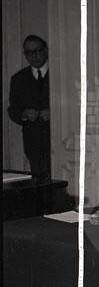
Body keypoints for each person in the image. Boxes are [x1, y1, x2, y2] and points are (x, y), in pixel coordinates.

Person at [8, 35, 51, 180]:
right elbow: (12, 110)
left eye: (38, 51)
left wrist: (55, 114)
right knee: (38, 184)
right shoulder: (18, 79)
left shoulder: (60, 73)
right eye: (29, 52)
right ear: (25, 55)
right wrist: (24, 114)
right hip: (33, 143)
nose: (34, 56)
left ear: (45, 50)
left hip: (60, 141)